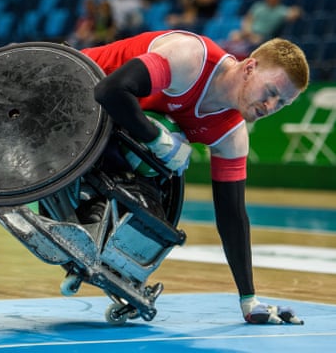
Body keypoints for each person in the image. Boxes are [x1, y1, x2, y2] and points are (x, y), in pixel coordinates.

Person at [81, 29, 309, 324]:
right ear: (250, 67)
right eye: (271, 93)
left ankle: (88, 236)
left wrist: (248, 299)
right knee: (158, 153)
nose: (270, 107)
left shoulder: (232, 136)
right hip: (72, 83)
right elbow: (108, 91)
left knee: (156, 216)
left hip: (108, 138)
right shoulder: (191, 58)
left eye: (281, 104)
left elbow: (232, 216)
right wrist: (156, 140)